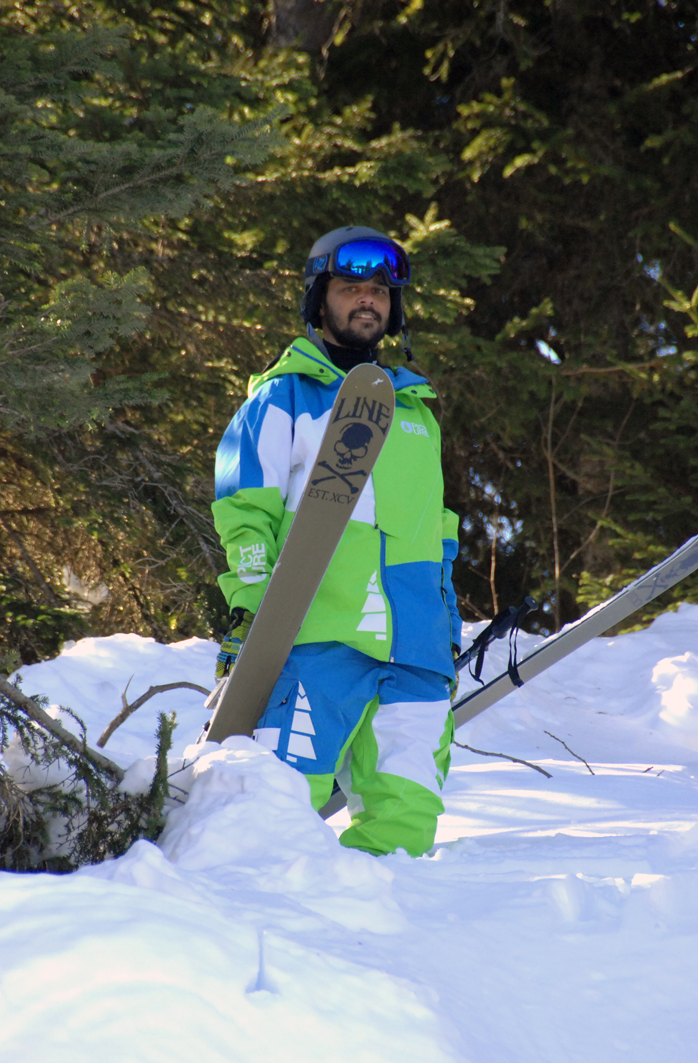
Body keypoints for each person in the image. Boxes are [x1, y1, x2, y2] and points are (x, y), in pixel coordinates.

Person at [210, 226, 462, 857]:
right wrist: (251, 607)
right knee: (280, 813)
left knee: (406, 827)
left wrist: (448, 627)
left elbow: (437, 533)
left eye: (379, 289)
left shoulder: (416, 411)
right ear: (319, 299)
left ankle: (374, 918)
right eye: (350, 287)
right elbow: (244, 511)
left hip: (415, 651)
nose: (367, 298)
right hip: (315, 640)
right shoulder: (284, 397)